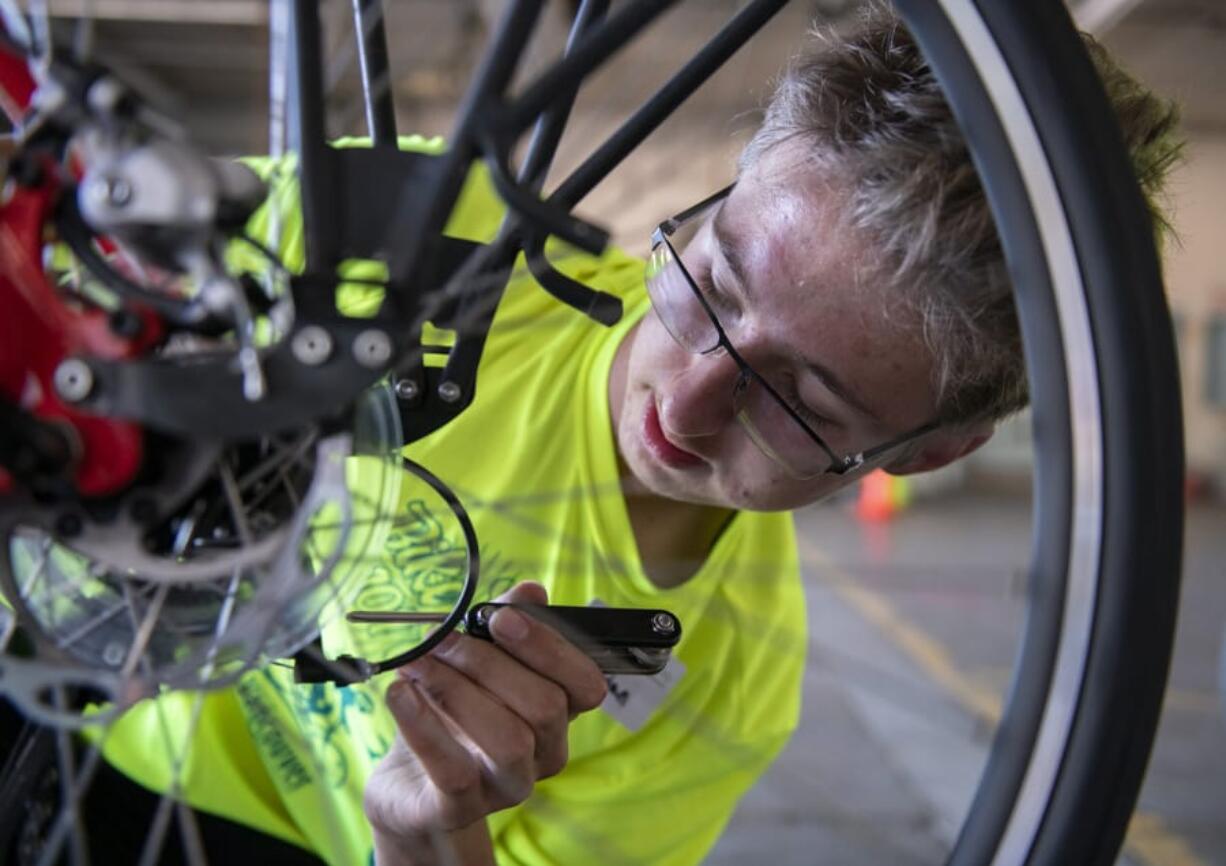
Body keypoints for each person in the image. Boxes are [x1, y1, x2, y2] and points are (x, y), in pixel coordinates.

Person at [92, 5, 1181, 865]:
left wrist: (423, 841)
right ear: (718, 195)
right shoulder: (431, 239)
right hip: (65, 681)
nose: (686, 400)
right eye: (712, 280)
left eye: (803, 400)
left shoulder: (725, 686)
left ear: (922, 454)